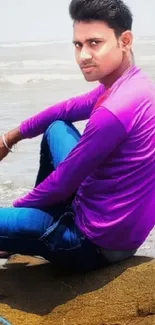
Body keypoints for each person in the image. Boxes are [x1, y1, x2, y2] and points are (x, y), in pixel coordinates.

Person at [0, 0, 155, 272]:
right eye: (78, 44)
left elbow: (61, 183)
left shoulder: (113, 111)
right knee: (57, 127)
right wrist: (10, 137)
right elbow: (67, 108)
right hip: (119, 224)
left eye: (95, 43)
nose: (83, 55)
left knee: (21, 214)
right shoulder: (134, 83)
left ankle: (39, 225)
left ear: (125, 40)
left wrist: (19, 210)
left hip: (91, 241)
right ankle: (43, 216)